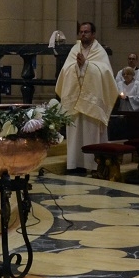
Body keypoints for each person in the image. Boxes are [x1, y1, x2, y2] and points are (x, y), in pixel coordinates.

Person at [55, 20, 120, 175]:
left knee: (91, 133)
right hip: (75, 102)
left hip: (91, 103)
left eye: (86, 32)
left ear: (93, 34)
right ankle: (74, 164)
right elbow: (66, 69)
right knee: (75, 132)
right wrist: (77, 66)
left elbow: (105, 72)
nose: (83, 34)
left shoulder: (100, 51)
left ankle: (93, 165)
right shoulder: (74, 49)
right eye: (81, 32)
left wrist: (86, 66)